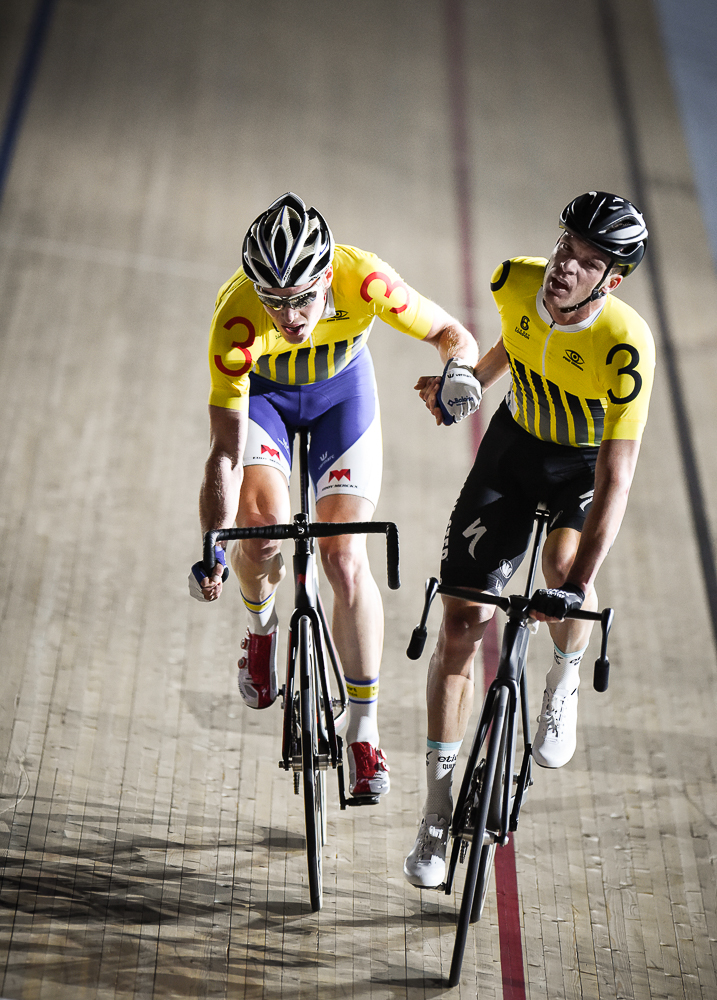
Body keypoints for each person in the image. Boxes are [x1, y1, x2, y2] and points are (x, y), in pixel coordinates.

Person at [189, 192, 480, 801]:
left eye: (301, 299)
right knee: (261, 531)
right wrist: (212, 547)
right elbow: (223, 452)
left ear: (327, 278)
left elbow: (454, 333)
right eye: (275, 301)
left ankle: (365, 729)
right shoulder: (237, 322)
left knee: (346, 556)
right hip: (264, 401)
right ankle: (262, 628)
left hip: (340, 396)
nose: (290, 317)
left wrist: (457, 372)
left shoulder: (366, 278)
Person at [404, 191, 654, 887]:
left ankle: (563, 677)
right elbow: (514, 342)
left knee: (560, 564)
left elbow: (616, 474)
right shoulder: (515, 279)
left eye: (586, 262)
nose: (563, 269)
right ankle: (433, 808)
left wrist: (573, 590)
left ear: (613, 279)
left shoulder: (626, 344)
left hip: (579, 468)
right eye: (563, 249)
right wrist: (468, 383)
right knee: (460, 621)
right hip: (511, 454)